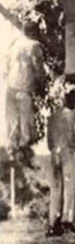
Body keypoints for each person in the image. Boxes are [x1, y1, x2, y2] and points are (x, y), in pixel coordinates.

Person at [5, 21, 46, 169]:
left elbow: (6, 66)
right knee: (26, 126)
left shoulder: (14, 44)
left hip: (10, 88)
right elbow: (39, 69)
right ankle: (22, 152)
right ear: (33, 32)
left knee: (13, 124)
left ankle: (13, 151)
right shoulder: (34, 45)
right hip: (24, 89)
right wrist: (42, 86)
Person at [47, 89, 75, 237]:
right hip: (68, 152)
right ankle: (67, 219)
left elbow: (49, 140)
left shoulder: (52, 117)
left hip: (54, 152)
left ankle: (54, 220)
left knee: (56, 187)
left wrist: (53, 150)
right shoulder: (73, 116)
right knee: (69, 185)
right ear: (70, 101)